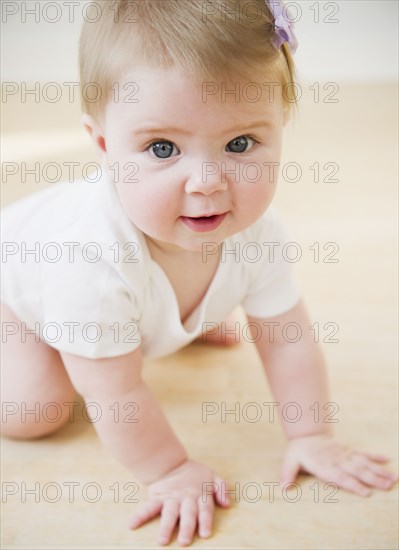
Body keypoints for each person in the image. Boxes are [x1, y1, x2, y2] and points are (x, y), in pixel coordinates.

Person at [1, 0, 396, 546]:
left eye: (240, 144)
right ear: (103, 146)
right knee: (34, 410)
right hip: (16, 297)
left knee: (143, 323)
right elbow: (116, 396)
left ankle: (159, 319)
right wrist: (168, 471)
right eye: (163, 148)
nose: (208, 181)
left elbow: (288, 340)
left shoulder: (258, 232)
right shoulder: (86, 260)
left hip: (113, 300)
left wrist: (311, 435)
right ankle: (109, 335)